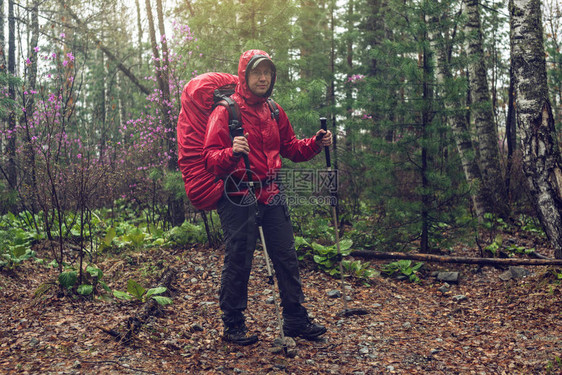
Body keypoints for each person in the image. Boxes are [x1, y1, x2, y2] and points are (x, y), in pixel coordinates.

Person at [203, 49, 333, 346]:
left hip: (272, 191)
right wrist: (230, 152)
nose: (263, 78)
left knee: (285, 255)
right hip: (237, 193)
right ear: (244, 76)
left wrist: (315, 142)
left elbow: (291, 148)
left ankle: (295, 319)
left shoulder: (274, 110)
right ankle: (233, 325)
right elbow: (209, 159)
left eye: (267, 73)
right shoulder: (226, 111)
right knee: (239, 257)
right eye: (256, 73)